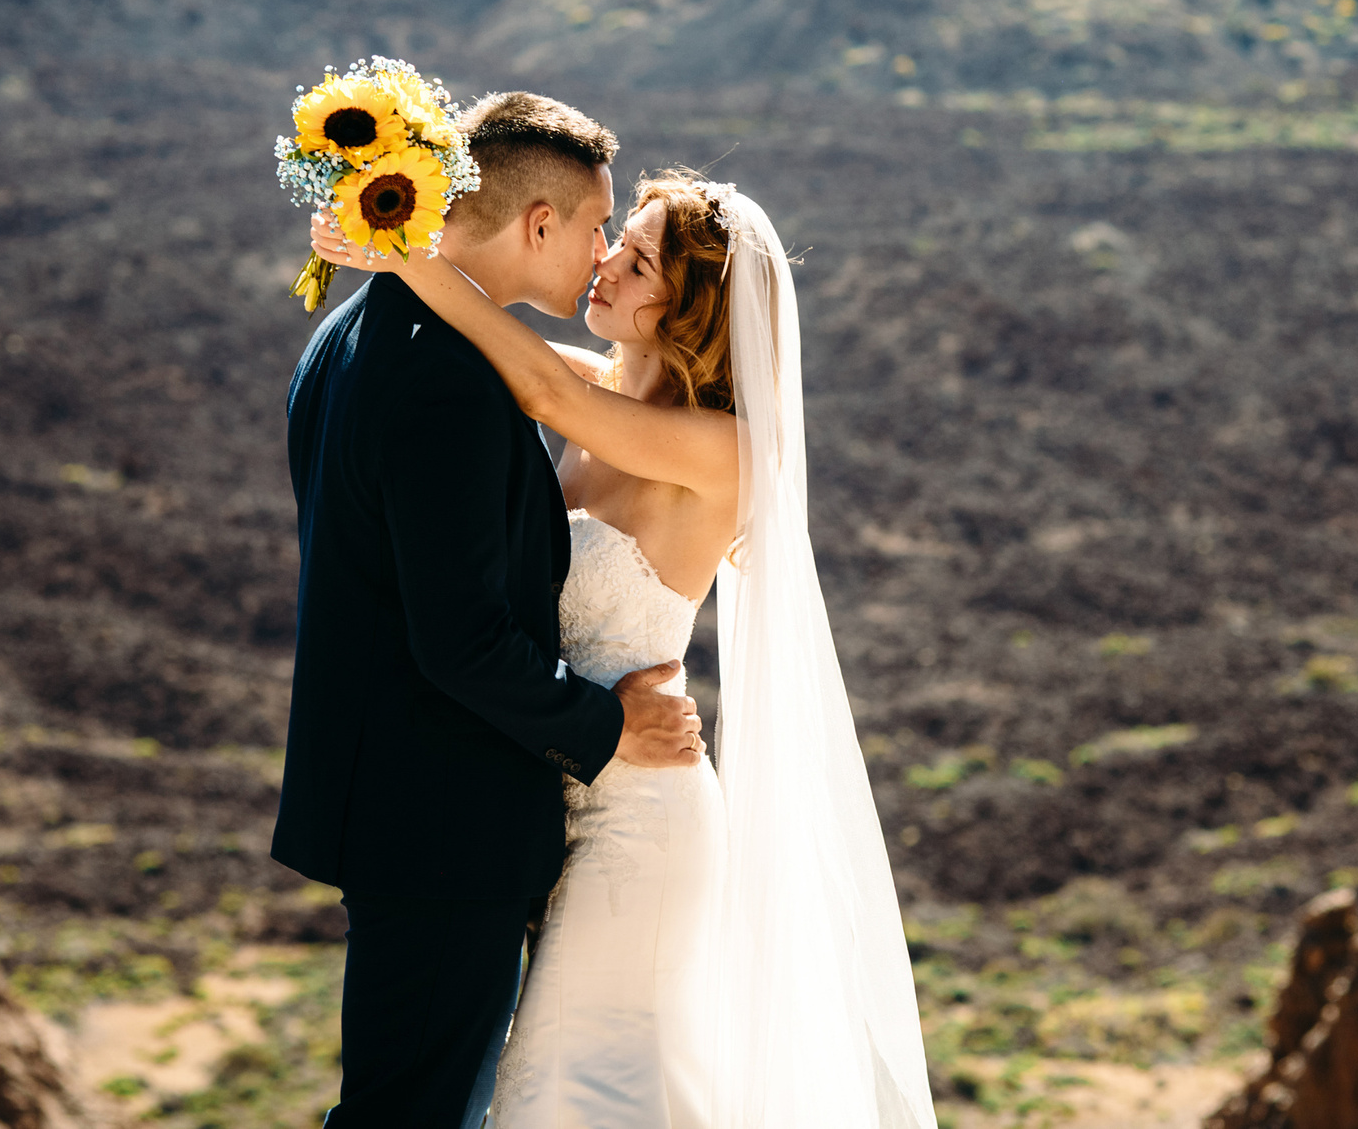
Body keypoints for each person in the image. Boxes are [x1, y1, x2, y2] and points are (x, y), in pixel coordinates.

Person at [310, 163, 933, 1129]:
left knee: (575, 1090)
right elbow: (505, 344)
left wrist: (406, 250)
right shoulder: (611, 385)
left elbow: (538, 383)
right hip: (562, 789)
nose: (603, 264)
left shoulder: (718, 446)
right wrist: (382, 249)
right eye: (617, 239)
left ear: (686, 315)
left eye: (637, 262)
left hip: (639, 815)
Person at [272, 92, 705, 1128]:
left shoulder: (350, 330)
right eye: (598, 227)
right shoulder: (449, 381)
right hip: (442, 824)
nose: (600, 253)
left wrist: (392, 251)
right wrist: (610, 726)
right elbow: (461, 639)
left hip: (396, 807)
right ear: (537, 222)